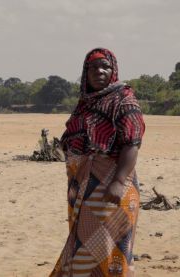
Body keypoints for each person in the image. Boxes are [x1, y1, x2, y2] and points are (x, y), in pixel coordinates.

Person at [50, 48, 145, 276]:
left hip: (111, 188)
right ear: (85, 73)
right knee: (82, 248)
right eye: (93, 67)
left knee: (108, 250)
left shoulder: (124, 100)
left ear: (114, 71)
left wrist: (119, 181)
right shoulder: (85, 103)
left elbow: (132, 143)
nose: (99, 71)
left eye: (105, 66)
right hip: (83, 190)